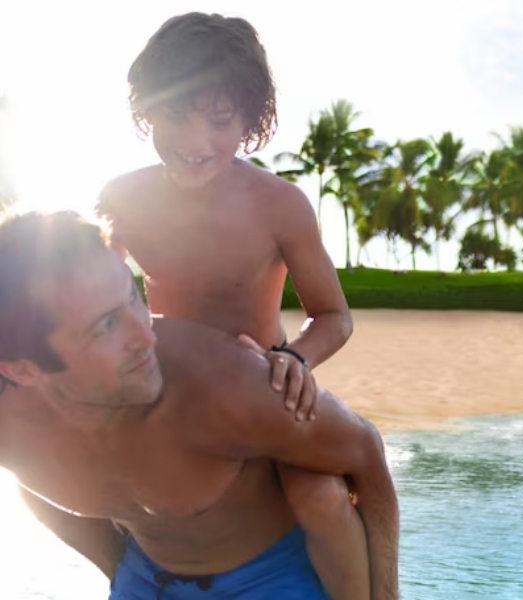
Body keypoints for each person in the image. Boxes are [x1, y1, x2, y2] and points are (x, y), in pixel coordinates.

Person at [94, 12, 372, 599]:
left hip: (260, 381)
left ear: (250, 122)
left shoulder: (280, 204)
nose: (197, 143)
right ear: (147, 109)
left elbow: (335, 315)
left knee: (318, 496)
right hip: (161, 382)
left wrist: (295, 361)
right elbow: (91, 288)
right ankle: (126, 573)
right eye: (176, 115)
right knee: (69, 475)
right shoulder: (121, 197)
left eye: (220, 122)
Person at [0, 210, 400, 599]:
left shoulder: (224, 385)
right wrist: (119, 575)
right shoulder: (13, 431)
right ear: (22, 370)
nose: (146, 335)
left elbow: (364, 450)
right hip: (144, 577)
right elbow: (37, 491)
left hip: (274, 574)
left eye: (134, 297)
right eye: (105, 325)